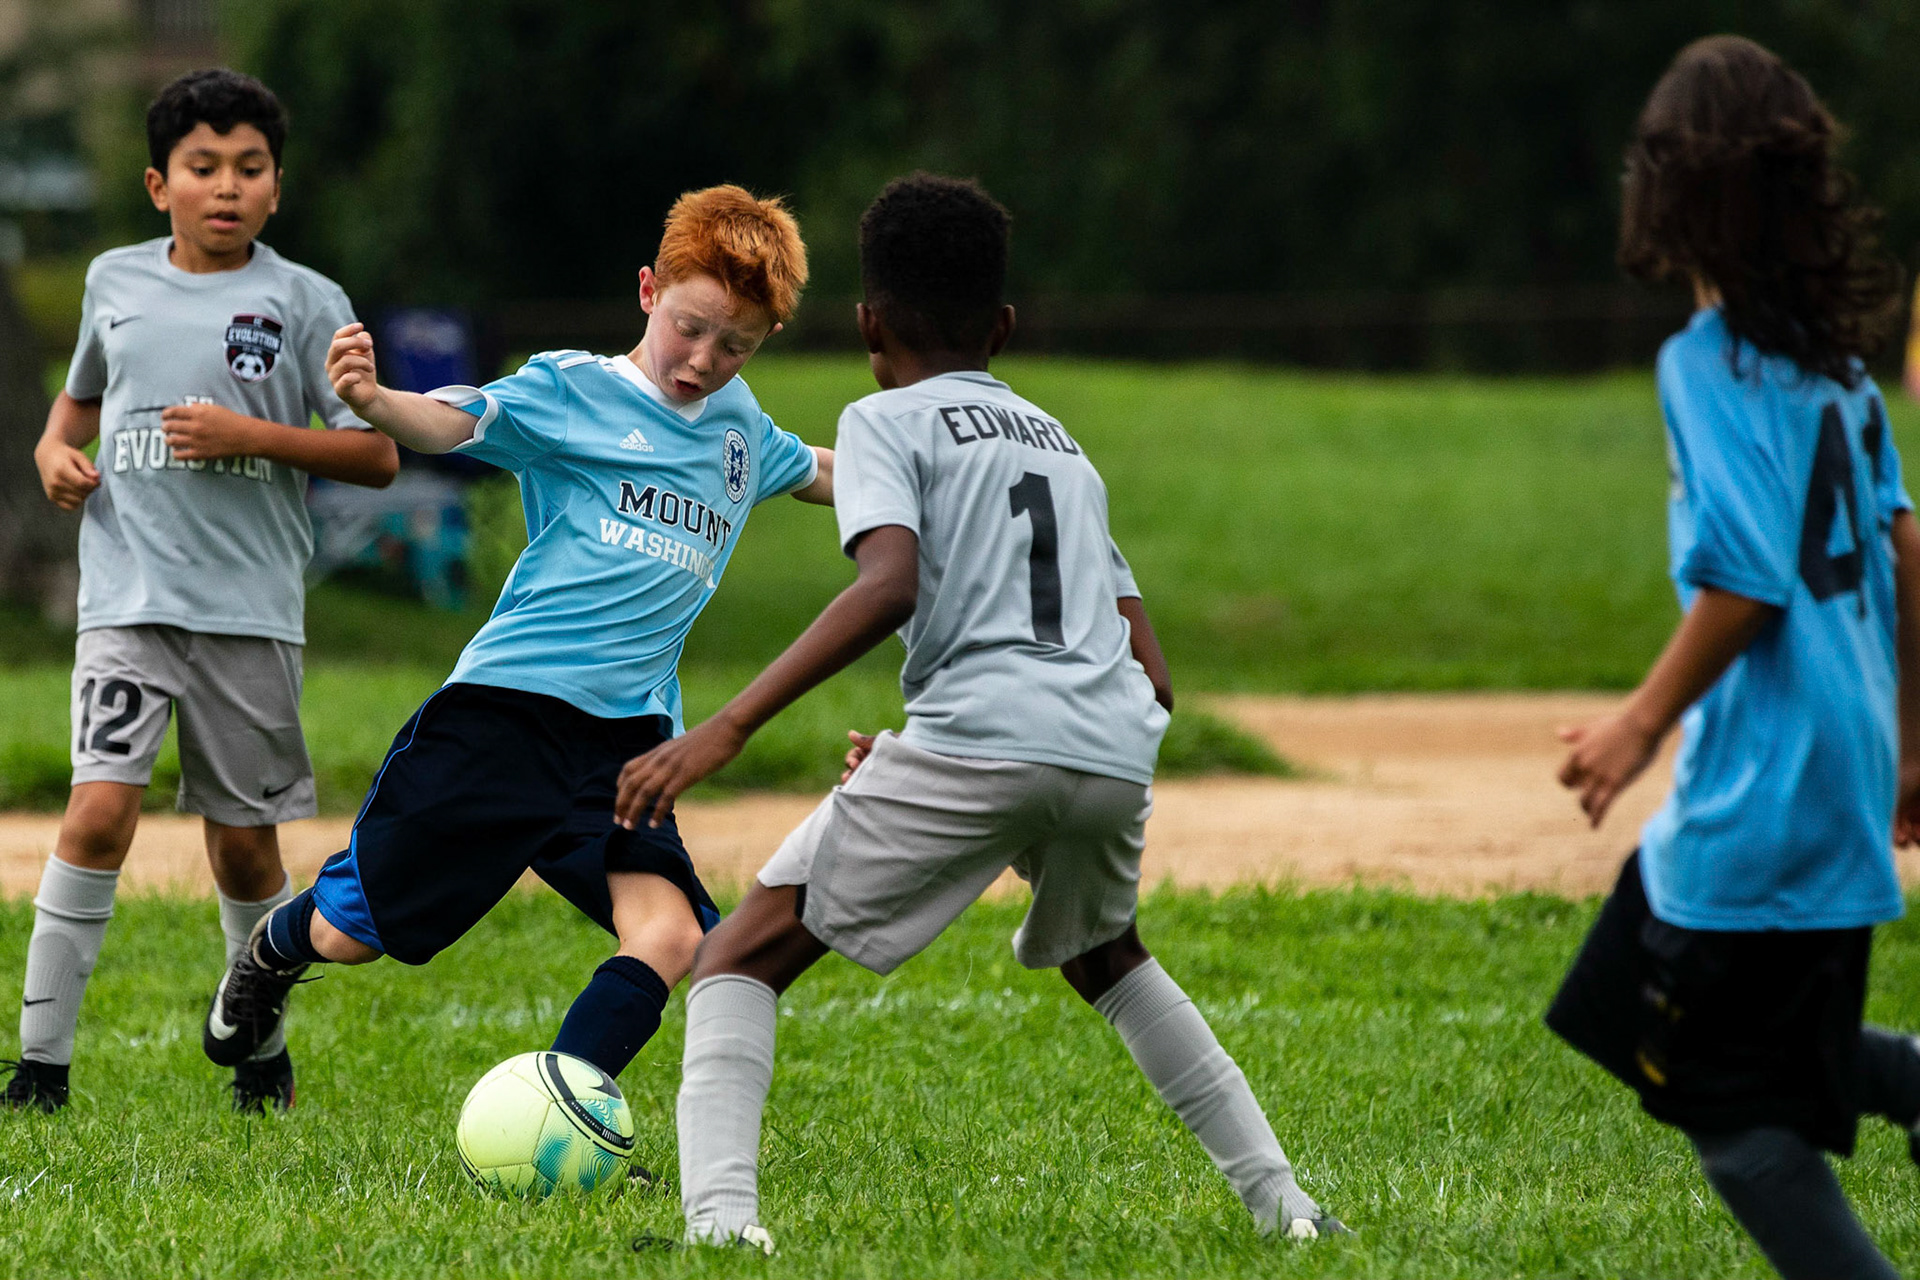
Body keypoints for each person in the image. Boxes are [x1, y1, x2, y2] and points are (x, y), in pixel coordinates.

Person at [614, 173, 1343, 1254]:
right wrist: (990, 748)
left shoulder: (879, 417)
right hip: (1107, 746)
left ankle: (719, 1230)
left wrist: (731, 726)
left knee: (737, 959)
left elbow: (890, 584)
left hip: (989, 741)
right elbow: (1153, 665)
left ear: (867, 323)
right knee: (1110, 957)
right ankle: (1289, 1209)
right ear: (1002, 324)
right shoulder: (1061, 444)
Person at [199, 187, 832, 1139]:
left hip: (626, 745)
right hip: (505, 715)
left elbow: (821, 472)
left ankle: (561, 1116)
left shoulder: (741, 428)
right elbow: (454, 422)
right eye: (692, 329)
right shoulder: (574, 387)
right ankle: (277, 947)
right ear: (648, 290)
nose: (705, 361)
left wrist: (937, 475)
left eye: (734, 344)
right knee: (353, 936)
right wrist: (374, 402)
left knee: (671, 936)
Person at [1549, 35, 1920, 1280]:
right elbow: (1907, 547)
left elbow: (1747, 577)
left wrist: (1637, 724)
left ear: (1674, 188)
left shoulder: (1704, 367)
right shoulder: (1842, 371)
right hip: (1839, 767)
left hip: (1764, 786)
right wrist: (1913, 743)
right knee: (1615, 996)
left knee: (1736, 1120)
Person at [8, 68, 399, 1116]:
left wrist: (253, 436)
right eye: (202, 167)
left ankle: (260, 1047)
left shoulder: (309, 302)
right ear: (158, 183)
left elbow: (377, 459)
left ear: (276, 186)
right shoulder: (114, 282)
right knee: (97, 812)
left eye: (249, 168)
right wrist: (54, 450)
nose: (225, 186)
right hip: (127, 598)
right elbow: (78, 402)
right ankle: (39, 1069)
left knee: (242, 842)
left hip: (249, 613)